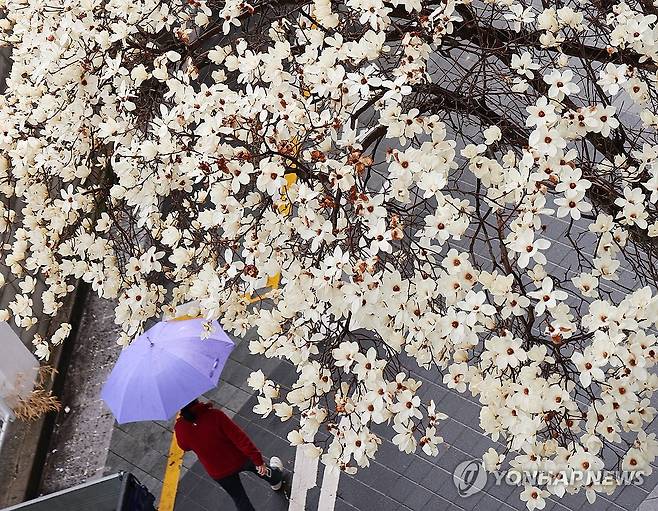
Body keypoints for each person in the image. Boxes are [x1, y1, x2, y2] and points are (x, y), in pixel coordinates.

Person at [174, 399, 285, 511]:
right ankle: (275, 479)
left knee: (239, 498)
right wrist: (258, 460)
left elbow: (185, 447)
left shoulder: (180, 428)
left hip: (218, 471)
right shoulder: (215, 415)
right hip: (239, 458)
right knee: (262, 470)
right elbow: (240, 438)